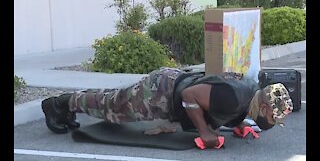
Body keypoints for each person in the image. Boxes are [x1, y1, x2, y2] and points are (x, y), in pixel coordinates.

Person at [41, 67, 293, 149]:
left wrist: (239, 125)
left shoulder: (249, 95)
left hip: (172, 84)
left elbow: (229, 108)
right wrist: (204, 131)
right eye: (272, 115)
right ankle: (58, 104)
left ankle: (66, 104)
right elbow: (189, 96)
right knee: (113, 107)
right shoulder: (234, 97)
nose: (272, 121)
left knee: (114, 100)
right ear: (263, 105)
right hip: (161, 92)